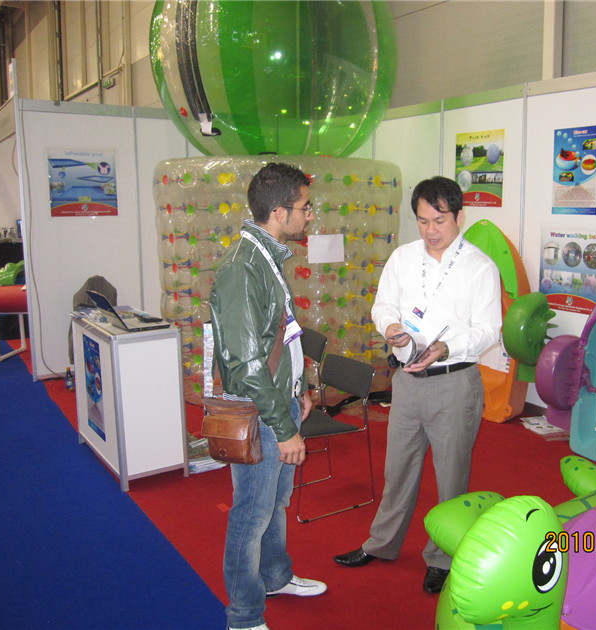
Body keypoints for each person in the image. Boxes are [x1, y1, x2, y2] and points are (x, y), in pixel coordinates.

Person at [333, 176, 502, 594]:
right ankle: (382, 544)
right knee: (398, 470)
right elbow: (383, 305)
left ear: (459, 217)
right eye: (423, 221)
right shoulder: (403, 257)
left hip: (453, 382)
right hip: (407, 381)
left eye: (439, 220)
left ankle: (443, 557)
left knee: (452, 478)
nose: (430, 230)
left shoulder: (480, 267)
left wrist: (446, 347)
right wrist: (390, 327)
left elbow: (488, 330)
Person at [209, 162, 326, 630]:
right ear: (279, 212)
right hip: (261, 414)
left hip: (280, 404)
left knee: (275, 502)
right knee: (251, 514)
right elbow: (246, 363)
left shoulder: (266, 258)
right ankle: (243, 615)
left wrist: (300, 389)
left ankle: (275, 576)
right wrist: (283, 427)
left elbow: (278, 336)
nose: (309, 215)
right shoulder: (243, 267)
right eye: (304, 207)